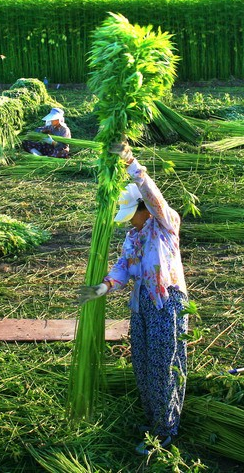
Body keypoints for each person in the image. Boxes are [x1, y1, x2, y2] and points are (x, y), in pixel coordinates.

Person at [78, 142, 188, 456]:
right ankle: (152, 419)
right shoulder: (133, 237)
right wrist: (102, 288)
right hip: (141, 306)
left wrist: (130, 162)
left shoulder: (165, 224)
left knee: (163, 365)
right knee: (142, 362)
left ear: (143, 209)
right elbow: (123, 267)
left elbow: (154, 196)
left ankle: (165, 430)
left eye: (131, 215)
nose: (128, 221)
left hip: (166, 304)